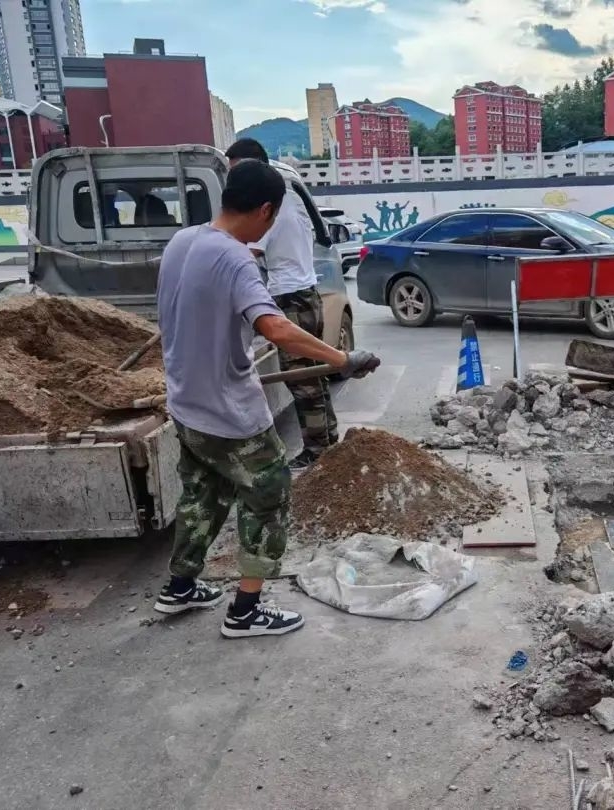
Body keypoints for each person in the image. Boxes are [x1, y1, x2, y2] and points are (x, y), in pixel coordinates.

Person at [153, 158, 380, 638]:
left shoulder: (181, 241)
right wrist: (341, 360)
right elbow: (275, 327)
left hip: (186, 405)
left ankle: (180, 587)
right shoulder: (235, 258)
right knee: (269, 495)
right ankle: (247, 611)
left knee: (203, 495)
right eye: (273, 217)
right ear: (264, 209)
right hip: (229, 412)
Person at [224, 138, 337, 466]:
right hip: (306, 293)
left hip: (290, 299)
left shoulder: (269, 207)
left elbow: (246, 250)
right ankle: (329, 444)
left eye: (237, 172)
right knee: (314, 374)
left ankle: (318, 454)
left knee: (302, 382)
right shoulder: (289, 196)